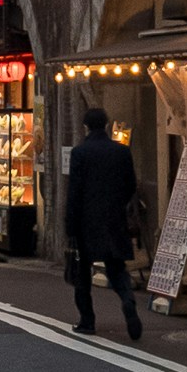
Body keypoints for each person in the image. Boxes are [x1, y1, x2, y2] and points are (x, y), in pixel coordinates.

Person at [65, 107, 144, 341]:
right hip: (114, 218)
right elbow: (131, 185)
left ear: (86, 127)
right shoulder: (121, 152)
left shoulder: (80, 153)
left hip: (86, 220)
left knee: (83, 273)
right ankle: (128, 299)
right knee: (116, 267)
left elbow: (74, 193)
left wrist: (70, 226)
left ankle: (87, 320)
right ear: (107, 126)